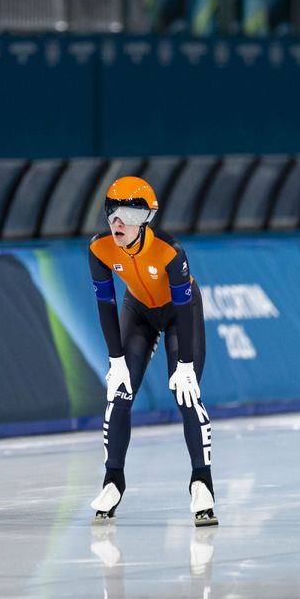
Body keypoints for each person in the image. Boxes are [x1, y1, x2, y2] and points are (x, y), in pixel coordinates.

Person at [87, 177, 217, 527]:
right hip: (139, 312)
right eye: (112, 211)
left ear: (146, 218)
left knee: (186, 393)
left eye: (128, 213)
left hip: (179, 314)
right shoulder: (99, 249)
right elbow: (106, 304)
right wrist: (115, 360)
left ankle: (201, 482)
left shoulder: (170, 252)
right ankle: (112, 480)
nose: (117, 221)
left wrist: (185, 364)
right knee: (119, 392)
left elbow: (184, 310)